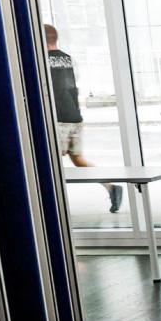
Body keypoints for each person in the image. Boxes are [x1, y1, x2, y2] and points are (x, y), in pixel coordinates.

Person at [45, 24, 121, 213]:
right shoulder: (68, 59)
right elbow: (72, 87)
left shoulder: (41, 60)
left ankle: (53, 205)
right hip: (74, 117)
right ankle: (111, 187)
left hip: (58, 118)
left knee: (49, 162)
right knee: (78, 159)